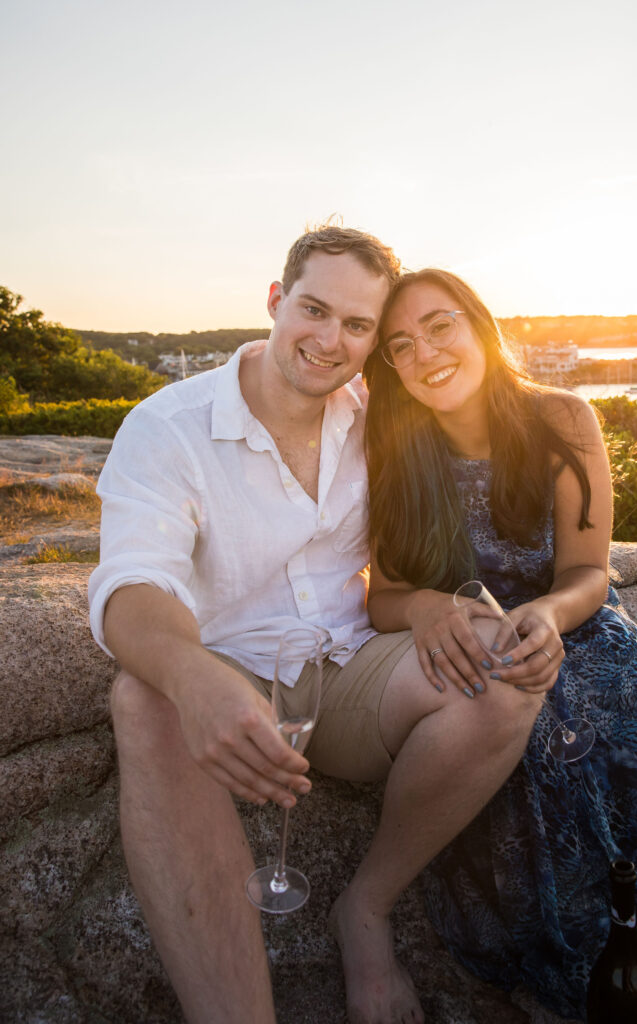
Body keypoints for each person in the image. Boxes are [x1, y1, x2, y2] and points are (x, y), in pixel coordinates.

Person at [88, 227, 551, 1024]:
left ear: (374, 341)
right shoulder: (169, 427)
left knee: (504, 671)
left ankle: (364, 910)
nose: (330, 340)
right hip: (232, 673)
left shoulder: (380, 413)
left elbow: (490, 417)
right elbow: (133, 583)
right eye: (313, 309)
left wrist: (453, 603)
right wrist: (194, 678)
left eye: (357, 326)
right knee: (145, 698)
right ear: (276, 301)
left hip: (351, 666)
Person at [363, 268, 637, 1021]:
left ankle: (635, 911)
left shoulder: (560, 417)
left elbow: (587, 573)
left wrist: (549, 617)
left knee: (584, 694)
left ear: (478, 326)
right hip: (474, 640)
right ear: (391, 368)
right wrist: (431, 608)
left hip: (573, 622)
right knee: (502, 709)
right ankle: (566, 929)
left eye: (439, 326)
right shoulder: (397, 449)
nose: (425, 352)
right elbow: (383, 598)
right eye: (400, 344)